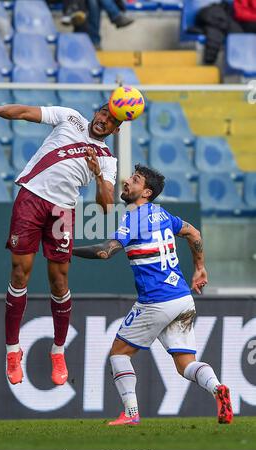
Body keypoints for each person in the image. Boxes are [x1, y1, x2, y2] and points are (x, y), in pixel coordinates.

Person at [0, 102, 122, 386]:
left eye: (111, 120)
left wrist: (98, 174)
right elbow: (26, 112)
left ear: (116, 129)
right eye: (103, 113)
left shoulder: (107, 159)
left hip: (62, 211)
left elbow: (107, 206)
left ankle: (58, 351)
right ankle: (13, 350)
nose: (104, 120)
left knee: (59, 281)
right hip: (31, 198)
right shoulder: (71, 118)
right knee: (19, 271)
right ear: (96, 112)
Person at [73, 164, 233, 425]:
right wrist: (200, 268)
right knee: (185, 365)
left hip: (156, 300)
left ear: (146, 192)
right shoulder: (162, 214)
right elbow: (193, 233)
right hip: (182, 298)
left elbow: (105, 251)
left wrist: (68, 251)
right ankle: (217, 389)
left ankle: (131, 414)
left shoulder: (134, 218)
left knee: (119, 353)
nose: (127, 182)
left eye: (134, 180)